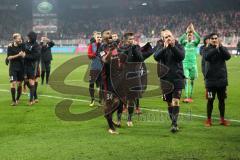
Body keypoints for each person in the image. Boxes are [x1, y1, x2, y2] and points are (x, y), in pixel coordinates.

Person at [154, 30, 185, 133]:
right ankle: (173, 121)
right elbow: (156, 57)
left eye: (169, 36)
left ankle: (174, 124)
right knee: (169, 103)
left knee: (175, 100)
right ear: (163, 39)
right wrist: (165, 48)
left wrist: (172, 46)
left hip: (177, 78)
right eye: (166, 37)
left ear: (173, 36)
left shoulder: (178, 46)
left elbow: (181, 56)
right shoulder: (161, 47)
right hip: (165, 79)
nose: (168, 38)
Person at [203, 33, 231, 127]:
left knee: (222, 100)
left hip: (221, 81)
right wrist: (216, 49)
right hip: (210, 82)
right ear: (210, 40)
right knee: (210, 100)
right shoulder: (206, 49)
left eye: (216, 38)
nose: (214, 40)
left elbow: (228, 57)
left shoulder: (222, 48)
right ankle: (208, 120)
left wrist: (221, 47)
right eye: (212, 38)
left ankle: (222, 119)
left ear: (218, 39)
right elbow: (207, 57)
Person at [179, 23, 200, 103]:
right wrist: (186, 32)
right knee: (186, 80)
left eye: (190, 35)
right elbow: (180, 40)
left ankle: (190, 95)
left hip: (193, 65)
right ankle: (187, 96)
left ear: (192, 36)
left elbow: (199, 38)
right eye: (188, 35)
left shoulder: (194, 43)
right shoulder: (184, 43)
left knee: (192, 80)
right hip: (185, 64)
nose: (189, 36)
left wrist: (193, 31)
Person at [6, 33, 25, 106]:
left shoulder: (22, 45)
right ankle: (13, 100)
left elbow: (24, 54)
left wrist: (23, 55)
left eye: (20, 37)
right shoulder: (10, 46)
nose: (20, 39)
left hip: (21, 68)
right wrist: (18, 55)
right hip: (13, 68)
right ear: (14, 39)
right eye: (18, 38)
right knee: (13, 83)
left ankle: (17, 99)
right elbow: (9, 57)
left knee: (19, 84)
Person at [23, 31, 41, 105]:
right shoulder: (26, 43)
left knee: (31, 81)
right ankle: (35, 96)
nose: (28, 38)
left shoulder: (36, 46)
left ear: (32, 37)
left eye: (29, 37)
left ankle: (31, 100)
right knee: (26, 81)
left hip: (32, 66)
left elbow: (36, 56)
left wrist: (25, 56)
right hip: (24, 65)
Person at [87, 32, 103, 106]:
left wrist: (102, 54)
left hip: (102, 68)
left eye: (100, 37)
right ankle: (92, 99)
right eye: (98, 37)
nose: (99, 38)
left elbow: (105, 55)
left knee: (101, 86)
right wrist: (94, 54)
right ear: (95, 38)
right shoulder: (92, 45)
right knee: (91, 84)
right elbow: (89, 55)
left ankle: (100, 100)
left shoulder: (103, 46)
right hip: (94, 68)